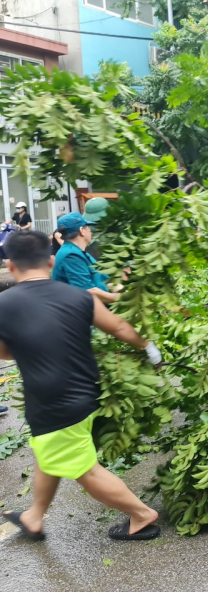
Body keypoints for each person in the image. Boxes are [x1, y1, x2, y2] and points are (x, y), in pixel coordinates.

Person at [0, 230, 163, 541]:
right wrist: (150, 350)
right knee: (50, 453)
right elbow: (118, 326)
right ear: (49, 260)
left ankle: (142, 515)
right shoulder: (78, 296)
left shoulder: (4, 304)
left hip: (52, 401)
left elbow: (3, 352)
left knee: (85, 470)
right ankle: (35, 516)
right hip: (86, 392)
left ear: (10, 264)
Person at [52, 213, 119, 304]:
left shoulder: (78, 252)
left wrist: (117, 287)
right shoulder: (70, 255)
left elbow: (100, 280)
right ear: (82, 230)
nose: (90, 231)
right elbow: (88, 291)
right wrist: (119, 298)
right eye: (88, 228)